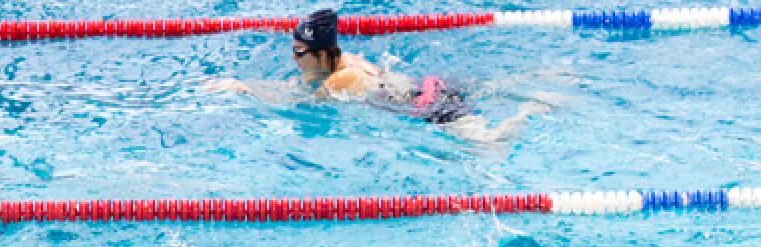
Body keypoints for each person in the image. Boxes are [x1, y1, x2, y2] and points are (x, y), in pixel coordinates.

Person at [205, 9, 551, 145]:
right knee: (493, 89)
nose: (293, 59)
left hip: (426, 104)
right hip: (428, 84)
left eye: (299, 52)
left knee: (488, 144)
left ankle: (528, 112)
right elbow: (294, 85)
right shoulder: (348, 60)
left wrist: (242, 89)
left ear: (321, 55)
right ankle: (545, 81)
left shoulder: (338, 81)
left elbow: (295, 101)